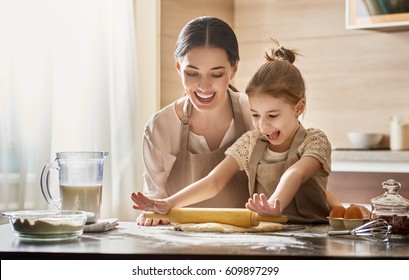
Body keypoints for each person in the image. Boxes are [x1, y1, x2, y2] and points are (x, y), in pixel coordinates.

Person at [132, 39, 342, 224]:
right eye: (255, 115)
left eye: (272, 115)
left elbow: (296, 173)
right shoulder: (251, 142)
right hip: (267, 234)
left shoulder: (315, 141)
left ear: (299, 108)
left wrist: (273, 204)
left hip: (314, 236)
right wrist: (169, 203)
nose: (262, 126)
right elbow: (214, 181)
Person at [139, 16, 254, 226]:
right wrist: (152, 214)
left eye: (216, 74)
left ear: (234, 69)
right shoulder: (161, 127)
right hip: (182, 246)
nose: (204, 86)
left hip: (250, 245)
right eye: (192, 73)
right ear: (177, 67)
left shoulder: (254, 113)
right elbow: (157, 202)